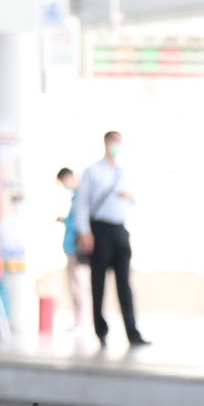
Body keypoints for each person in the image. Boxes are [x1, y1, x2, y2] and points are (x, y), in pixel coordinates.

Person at [76, 132, 149, 348]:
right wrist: (85, 232)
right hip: (99, 230)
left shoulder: (124, 172)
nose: (116, 146)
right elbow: (83, 204)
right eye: (113, 142)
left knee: (124, 283)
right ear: (106, 143)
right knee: (98, 282)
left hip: (120, 230)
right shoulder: (92, 172)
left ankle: (132, 331)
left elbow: (135, 198)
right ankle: (101, 330)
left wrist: (129, 197)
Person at [57, 168, 91, 333]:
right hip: (72, 247)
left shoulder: (83, 197)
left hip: (78, 248)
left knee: (80, 285)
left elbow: (79, 223)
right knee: (76, 285)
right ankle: (80, 320)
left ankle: (83, 321)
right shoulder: (77, 197)